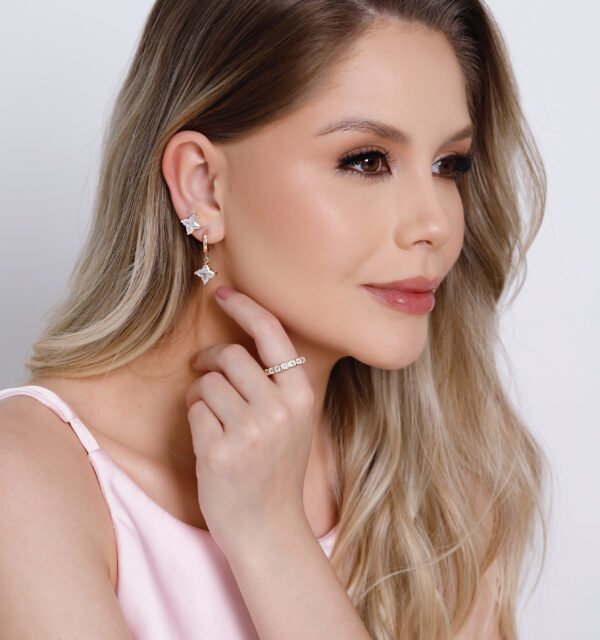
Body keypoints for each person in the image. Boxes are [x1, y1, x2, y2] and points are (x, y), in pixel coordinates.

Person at [0, 1, 549, 638]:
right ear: (203, 186)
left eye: (449, 165)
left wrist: (273, 535)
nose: (435, 224)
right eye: (367, 160)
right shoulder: (24, 478)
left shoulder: (443, 487)